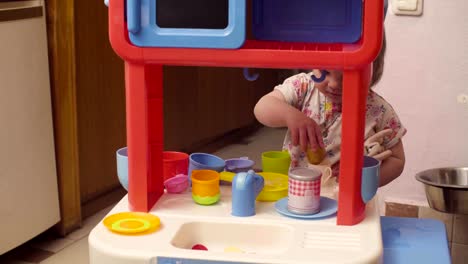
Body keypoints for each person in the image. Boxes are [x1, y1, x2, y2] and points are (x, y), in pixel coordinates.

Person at [254, 33, 406, 188]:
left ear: (371, 71)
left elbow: (397, 161)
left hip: (347, 195)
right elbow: (262, 107)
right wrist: (289, 115)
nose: (333, 84)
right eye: (324, 72)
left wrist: (363, 181)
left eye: (346, 75)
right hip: (298, 189)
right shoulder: (303, 87)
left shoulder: (379, 109)